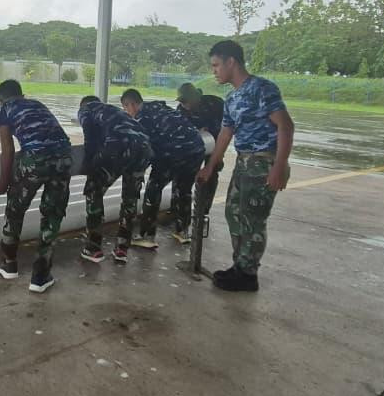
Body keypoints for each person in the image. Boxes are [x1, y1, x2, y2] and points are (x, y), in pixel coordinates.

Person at [203, 40, 294, 292]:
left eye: (216, 65)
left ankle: (248, 274)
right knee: (234, 213)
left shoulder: (261, 89)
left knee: (253, 219)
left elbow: (285, 126)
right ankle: (240, 267)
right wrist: (211, 165)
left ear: (231, 62)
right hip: (243, 162)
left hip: (264, 161)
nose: (214, 71)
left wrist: (279, 165)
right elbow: (225, 133)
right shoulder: (231, 98)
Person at [0, 80, 72, 293]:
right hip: (64, 157)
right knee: (52, 214)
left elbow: (7, 149)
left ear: (0, 99)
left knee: (15, 209)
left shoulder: (3, 109)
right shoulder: (37, 104)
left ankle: (9, 264)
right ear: (22, 94)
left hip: (35, 159)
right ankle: (40, 277)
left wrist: (3, 181)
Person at [120, 89, 205, 251]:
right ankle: (183, 231)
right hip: (196, 149)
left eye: (125, 108)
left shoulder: (142, 118)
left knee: (153, 189)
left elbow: (144, 148)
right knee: (184, 190)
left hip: (173, 153)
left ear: (132, 104)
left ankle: (147, 236)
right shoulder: (159, 107)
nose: (126, 112)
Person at [77, 95, 152, 264]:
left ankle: (93, 247)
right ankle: (122, 248)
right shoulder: (113, 110)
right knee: (130, 199)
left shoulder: (86, 109)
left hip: (117, 146)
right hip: (144, 148)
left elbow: (89, 136)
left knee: (94, 191)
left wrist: (88, 165)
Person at [175, 82, 224, 244]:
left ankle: (203, 211)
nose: (184, 105)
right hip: (193, 145)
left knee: (211, 174)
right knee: (185, 176)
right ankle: (182, 216)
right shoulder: (181, 109)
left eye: (186, 101)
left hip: (215, 144)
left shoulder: (215, 104)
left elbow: (228, 127)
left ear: (196, 98)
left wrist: (208, 129)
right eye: (182, 102)